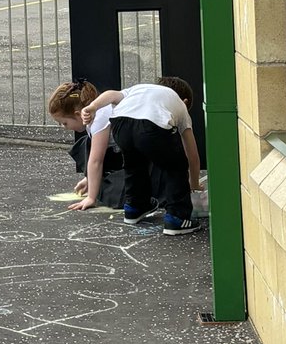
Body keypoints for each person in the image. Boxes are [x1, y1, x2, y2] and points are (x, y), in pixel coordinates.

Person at [81, 76, 203, 235]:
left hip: (120, 123)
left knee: (134, 163)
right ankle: (177, 218)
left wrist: (92, 107)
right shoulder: (180, 106)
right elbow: (191, 156)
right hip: (151, 126)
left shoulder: (139, 89)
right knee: (176, 166)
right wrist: (193, 184)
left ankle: (134, 207)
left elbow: (111, 94)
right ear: (185, 102)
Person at [48, 79, 126, 210]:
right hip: (122, 154)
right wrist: (88, 179)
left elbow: (96, 161)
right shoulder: (94, 117)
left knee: (111, 194)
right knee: (86, 144)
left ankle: (105, 185)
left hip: (140, 160)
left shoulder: (99, 117)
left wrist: (91, 197)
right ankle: (101, 181)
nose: (64, 127)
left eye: (64, 123)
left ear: (78, 115)